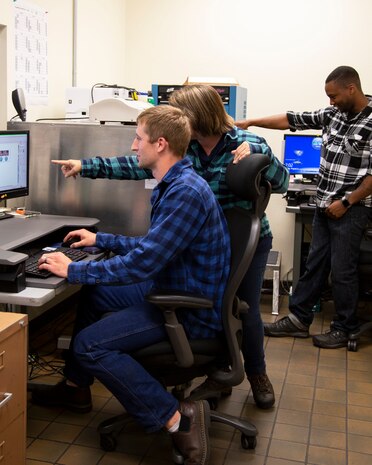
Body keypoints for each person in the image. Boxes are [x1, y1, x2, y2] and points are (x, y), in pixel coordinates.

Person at [52, 85, 289, 409]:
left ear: (197, 118)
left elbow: (283, 181)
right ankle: (76, 385)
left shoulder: (244, 144)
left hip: (244, 238)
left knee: (242, 309)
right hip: (195, 241)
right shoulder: (187, 149)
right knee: (211, 304)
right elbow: (136, 164)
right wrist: (87, 165)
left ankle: (252, 373)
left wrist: (261, 157)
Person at [32, 105, 231, 465]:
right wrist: (101, 240)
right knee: (98, 293)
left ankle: (178, 419)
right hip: (175, 285)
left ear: (160, 143)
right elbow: (156, 246)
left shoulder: (185, 192)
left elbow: (144, 263)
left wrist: (72, 271)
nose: (133, 145)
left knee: (89, 345)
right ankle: (76, 389)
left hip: (186, 307)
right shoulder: (176, 182)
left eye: (138, 138)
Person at [236, 65, 372, 349]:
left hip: (352, 208)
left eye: (334, 96)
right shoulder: (333, 114)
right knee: (314, 264)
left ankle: (344, 327)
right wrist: (249, 123)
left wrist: (347, 202)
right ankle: (298, 320)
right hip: (324, 203)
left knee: (343, 269)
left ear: (352, 88)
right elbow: (290, 119)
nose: (330, 102)